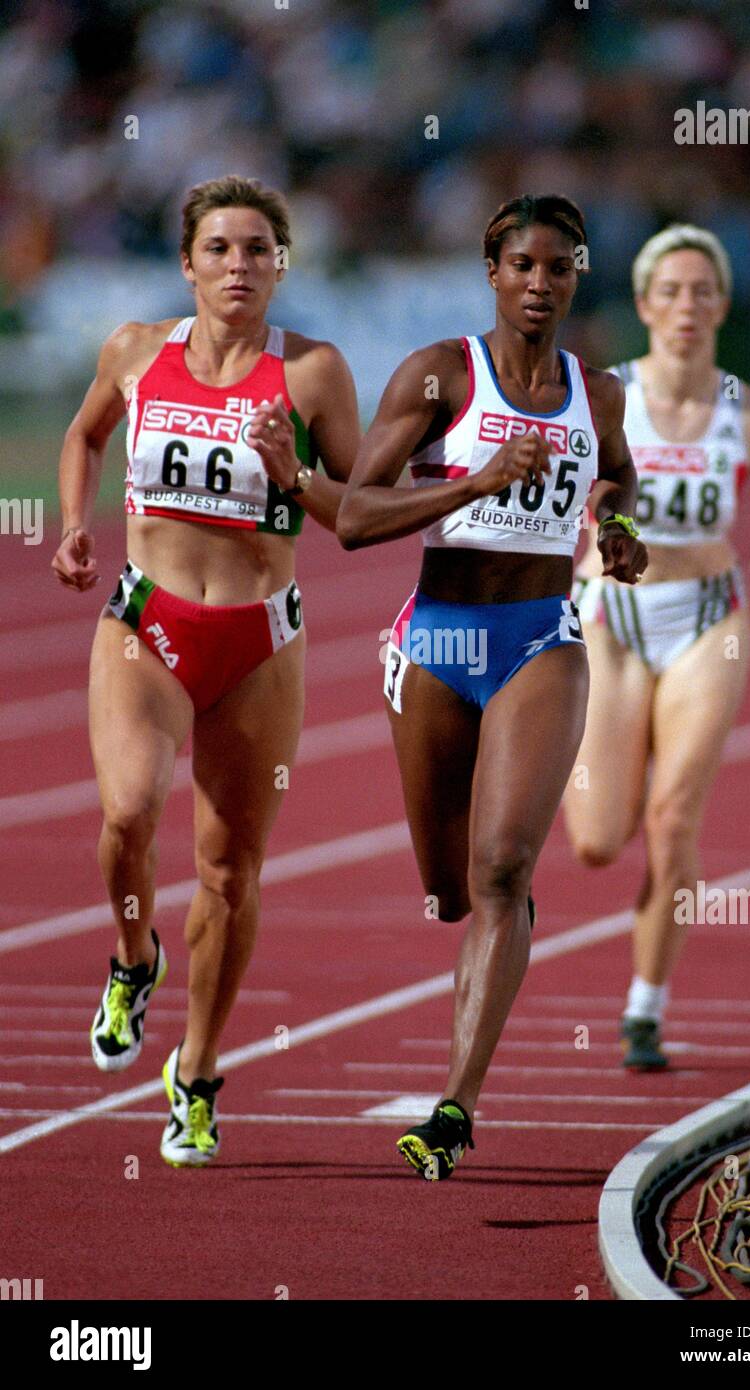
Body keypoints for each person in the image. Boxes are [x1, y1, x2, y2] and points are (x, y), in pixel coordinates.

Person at [50, 175, 360, 1164]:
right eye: (220, 248)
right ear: (188, 263)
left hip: (259, 643)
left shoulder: (311, 373)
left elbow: (357, 507)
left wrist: (295, 476)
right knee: (128, 813)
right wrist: (70, 528)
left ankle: (196, 1070)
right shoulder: (135, 350)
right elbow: (85, 432)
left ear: (281, 265)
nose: (239, 266)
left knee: (229, 872)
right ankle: (133, 957)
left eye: (259, 249)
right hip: (147, 624)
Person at [337, 193, 647, 1179]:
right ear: (492, 268)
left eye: (559, 268)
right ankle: (489, 913)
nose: (540, 283)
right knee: (446, 891)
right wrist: (473, 483)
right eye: (523, 265)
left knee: (504, 868)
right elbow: (352, 516)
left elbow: (619, 479)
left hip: (540, 637)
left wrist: (616, 530)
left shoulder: (597, 393)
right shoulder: (439, 372)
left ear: (577, 276)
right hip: (436, 641)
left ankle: (453, 1108)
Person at [561, 224, 750, 1070]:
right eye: (668, 291)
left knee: (674, 819)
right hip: (609, 613)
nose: (684, 306)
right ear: (642, 305)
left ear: (721, 304)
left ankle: (645, 1007)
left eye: (700, 290)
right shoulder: (606, 398)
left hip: (709, 617)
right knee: (598, 839)